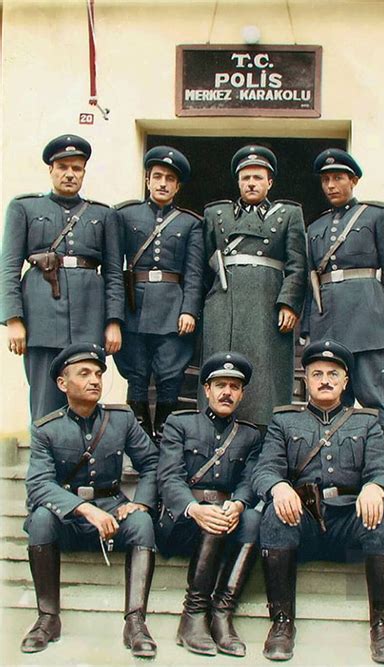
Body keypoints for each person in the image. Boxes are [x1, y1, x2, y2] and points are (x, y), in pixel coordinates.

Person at [252, 340, 384, 664]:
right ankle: (281, 622)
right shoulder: (283, 421)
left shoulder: (367, 422)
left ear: (346, 381)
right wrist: (278, 487)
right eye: (317, 373)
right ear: (305, 378)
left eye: (333, 374)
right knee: (274, 514)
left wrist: (375, 488)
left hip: (348, 524)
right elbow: (264, 470)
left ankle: (383, 626)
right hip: (302, 521)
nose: (325, 379)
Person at [21, 343, 159, 658]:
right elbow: (38, 483)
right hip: (69, 519)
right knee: (41, 518)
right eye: (84, 374)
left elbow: (152, 463)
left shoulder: (121, 420)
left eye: (98, 373)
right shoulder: (46, 429)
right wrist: (86, 510)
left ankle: (136, 621)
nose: (95, 380)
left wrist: (142, 502)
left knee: (142, 522)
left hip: (113, 508)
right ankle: (47, 618)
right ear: (62, 383)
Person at [1, 134, 123, 421]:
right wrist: (14, 320)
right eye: (63, 167)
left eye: (77, 168)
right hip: (41, 319)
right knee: (45, 402)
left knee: (86, 395)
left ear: (84, 172)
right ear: (51, 170)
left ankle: (83, 464)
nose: (70, 174)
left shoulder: (103, 214)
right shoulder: (24, 208)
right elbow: (8, 267)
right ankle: (44, 465)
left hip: (89, 318)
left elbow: (114, 272)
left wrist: (113, 322)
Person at [156, 352, 262, 657]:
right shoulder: (179, 424)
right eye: (220, 385)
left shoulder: (250, 435)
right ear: (206, 390)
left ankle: (221, 614)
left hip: (223, 525)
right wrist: (195, 508)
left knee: (254, 520)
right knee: (213, 517)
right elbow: (169, 478)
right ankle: (192, 616)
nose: (226, 392)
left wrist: (240, 504)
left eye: (234, 386)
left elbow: (249, 480)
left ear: (241, 394)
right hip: (180, 524)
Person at [302, 148, 384, 449]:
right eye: (325, 180)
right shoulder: (315, 227)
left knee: (373, 402)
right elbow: (311, 280)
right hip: (329, 326)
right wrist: (310, 327)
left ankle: (380, 476)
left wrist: (383, 317)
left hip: (368, 326)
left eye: (338, 178)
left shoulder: (377, 215)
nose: (331, 186)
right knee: (331, 403)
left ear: (354, 180)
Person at [201, 145, 307, 429]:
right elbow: (201, 267)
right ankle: (215, 437)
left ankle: (266, 439)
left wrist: (289, 302)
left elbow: (298, 264)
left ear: (269, 182)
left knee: (266, 377)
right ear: (238, 181)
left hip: (267, 303)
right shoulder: (216, 214)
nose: (251, 183)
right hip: (224, 304)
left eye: (258, 178)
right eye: (246, 177)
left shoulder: (288, 214)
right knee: (221, 371)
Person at [114, 146, 204, 439]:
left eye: (169, 178)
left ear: (177, 186)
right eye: (157, 177)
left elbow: (194, 273)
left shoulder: (190, 223)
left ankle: (165, 436)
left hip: (172, 308)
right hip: (134, 306)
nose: (163, 183)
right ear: (147, 181)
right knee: (136, 373)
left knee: (170, 374)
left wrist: (189, 309)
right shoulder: (126, 215)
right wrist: (115, 314)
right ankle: (139, 437)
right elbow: (115, 267)